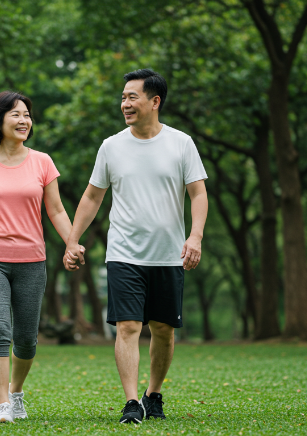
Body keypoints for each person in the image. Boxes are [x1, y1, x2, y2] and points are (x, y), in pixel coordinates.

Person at [63, 69, 208, 424]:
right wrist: (72, 240)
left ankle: (153, 394)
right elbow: (92, 196)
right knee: (127, 326)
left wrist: (196, 235)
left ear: (154, 101)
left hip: (168, 254)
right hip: (124, 253)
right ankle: (131, 401)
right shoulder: (111, 146)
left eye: (132, 97)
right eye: (124, 97)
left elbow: (198, 193)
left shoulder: (181, 143)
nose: (125, 103)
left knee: (163, 329)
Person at [0, 91, 83, 424]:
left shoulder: (42, 162)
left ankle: (16, 391)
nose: (24, 120)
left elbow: (55, 209)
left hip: (31, 261)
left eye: (27, 115)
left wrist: (72, 243)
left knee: (26, 338)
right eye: (16, 115)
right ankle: (3, 405)